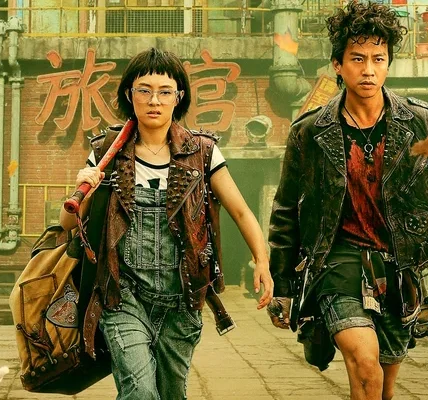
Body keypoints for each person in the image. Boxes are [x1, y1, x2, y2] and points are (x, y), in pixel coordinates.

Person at [265, 3, 428, 399]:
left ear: (388, 64)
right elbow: (285, 212)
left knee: (383, 387)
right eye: (357, 58)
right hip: (337, 263)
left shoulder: (420, 126)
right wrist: (282, 284)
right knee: (365, 365)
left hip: (400, 267)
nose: (368, 69)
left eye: (378, 59)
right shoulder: (310, 133)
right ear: (338, 64)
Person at [60, 47, 274, 400]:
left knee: (172, 394)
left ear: (179, 97)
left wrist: (262, 260)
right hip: (122, 297)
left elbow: (241, 211)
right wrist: (84, 187)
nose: (154, 101)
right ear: (129, 95)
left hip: (182, 301)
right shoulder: (105, 152)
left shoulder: (202, 152)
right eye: (144, 90)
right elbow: (67, 221)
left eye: (164, 91)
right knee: (140, 393)